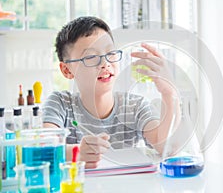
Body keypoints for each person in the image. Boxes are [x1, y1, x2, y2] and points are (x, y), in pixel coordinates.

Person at [43, 16, 180, 168]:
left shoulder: (135, 106)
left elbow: (166, 147)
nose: (105, 63)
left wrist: (169, 93)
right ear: (67, 70)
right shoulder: (60, 103)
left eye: (110, 53)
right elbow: (43, 149)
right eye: (91, 57)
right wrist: (76, 152)